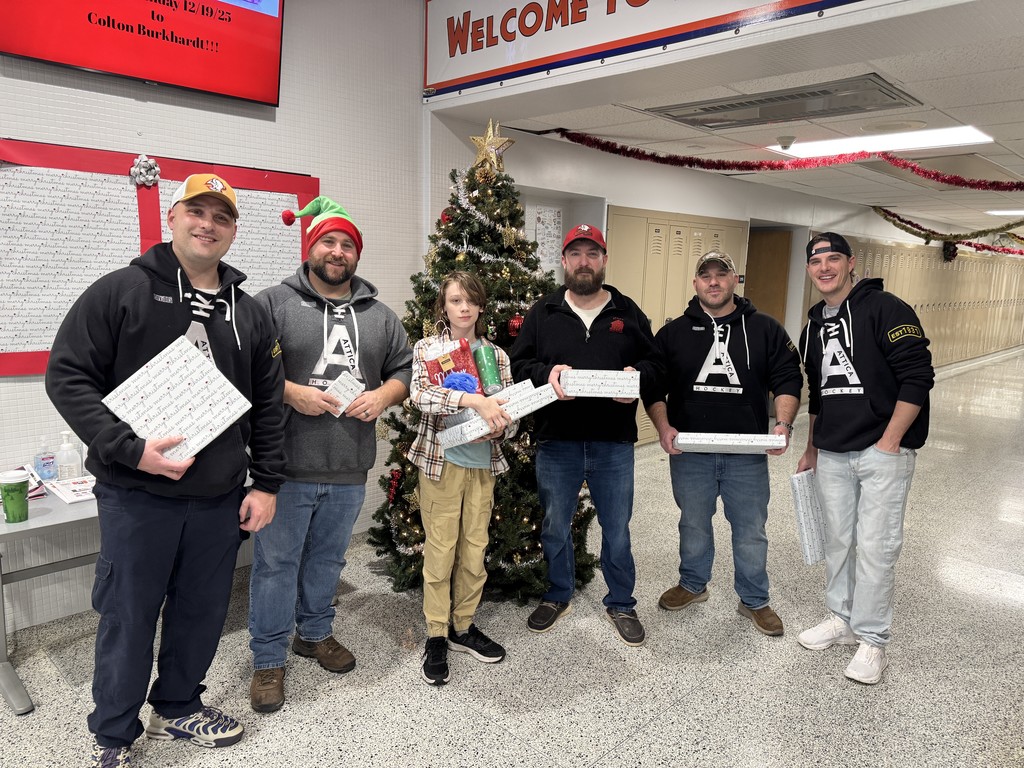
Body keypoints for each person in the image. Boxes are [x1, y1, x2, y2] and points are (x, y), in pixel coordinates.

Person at [45, 174, 286, 767]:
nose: (208, 224)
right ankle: (114, 733)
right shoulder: (120, 292)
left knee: (202, 611)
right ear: (172, 218)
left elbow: (269, 403)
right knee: (129, 615)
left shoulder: (249, 314)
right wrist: (129, 448)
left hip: (218, 498)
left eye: (222, 217)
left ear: (233, 231)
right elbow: (68, 377)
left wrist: (267, 483)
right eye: (197, 211)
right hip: (137, 496)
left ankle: (178, 705)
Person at [247, 197, 412, 712]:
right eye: (328, 242)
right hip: (284, 467)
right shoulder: (270, 304)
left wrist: (386, 396)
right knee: (275, 564)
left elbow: (403, 370)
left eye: (347, 244)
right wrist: (289, 391)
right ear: (310, 247)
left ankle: (314, 633)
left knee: (328, 558)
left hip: (348, 464)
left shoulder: (381, 317)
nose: (337, 251)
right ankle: (268, 660)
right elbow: (244, 369)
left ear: (356, 255)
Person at [510, 224, 661, 647]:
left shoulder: (627, 312)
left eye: (592, 254)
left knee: (617, 527)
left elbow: (656, 366)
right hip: (557, 440)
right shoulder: (544, 311)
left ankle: (621, 601)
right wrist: (547, 373)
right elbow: (520, 366)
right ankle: (559, 593)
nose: (583, 262)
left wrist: (637, 377)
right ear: (563, 261)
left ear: (604, 260)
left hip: (613, 442)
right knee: (556, 524)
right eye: (575, 254)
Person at [795, 231, 934, 685]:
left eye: (833, 259)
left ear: (851, 263)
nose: (825, 268)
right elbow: (818, 394)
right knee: (839, 540)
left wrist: (890, 442)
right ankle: (841, 619)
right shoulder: (812, 325)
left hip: (882, 452)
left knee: (876, 547)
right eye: (816, 262)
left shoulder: (887, 308)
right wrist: (812, 446)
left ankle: (872, 640)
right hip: (833, 453)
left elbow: (917, 377)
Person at [646, 251, 802, 636]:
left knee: (751, 529)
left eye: (722, 274)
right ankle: (693, 584)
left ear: (735, 280)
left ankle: (754, 600)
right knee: (693, 524)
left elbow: (787, 379)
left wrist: (782, 423)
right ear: (696, 284)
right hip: (691, 454)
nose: (713, 282)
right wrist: (664, 428)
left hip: (746, 455)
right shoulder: (672, 334)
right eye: (705, 276)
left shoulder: (765, 329)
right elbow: (653, 387)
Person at [406, 271, 516, 686]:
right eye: (455, 301)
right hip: (441, 462)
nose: (463, 308)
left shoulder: (497, 355)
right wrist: (472, 399)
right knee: (440, 549)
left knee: (474, 549)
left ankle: (463, 625)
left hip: (482, 464)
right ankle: (436, 631)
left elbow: (510, 411)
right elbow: (420, 395)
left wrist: (501, 426)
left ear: (481, 307)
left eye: (470, 301)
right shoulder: (428, 349)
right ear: (444, 307)